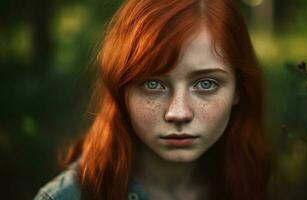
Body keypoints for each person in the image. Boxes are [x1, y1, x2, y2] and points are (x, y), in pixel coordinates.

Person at [34, 0, 271, 199]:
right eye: (153, 84)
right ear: (121, 89)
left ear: (238, 90)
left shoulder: (253, 184)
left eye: (206, 84)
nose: (178, 113)